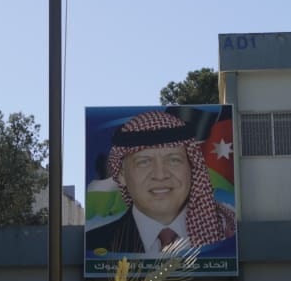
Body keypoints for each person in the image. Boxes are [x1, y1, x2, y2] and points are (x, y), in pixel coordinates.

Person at [86, 109, 236, 257]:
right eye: (144, 162)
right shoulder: (94, 244)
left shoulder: (227, 234)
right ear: (121, 175)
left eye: (174, 160)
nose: (160, 175)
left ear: (192, 168)